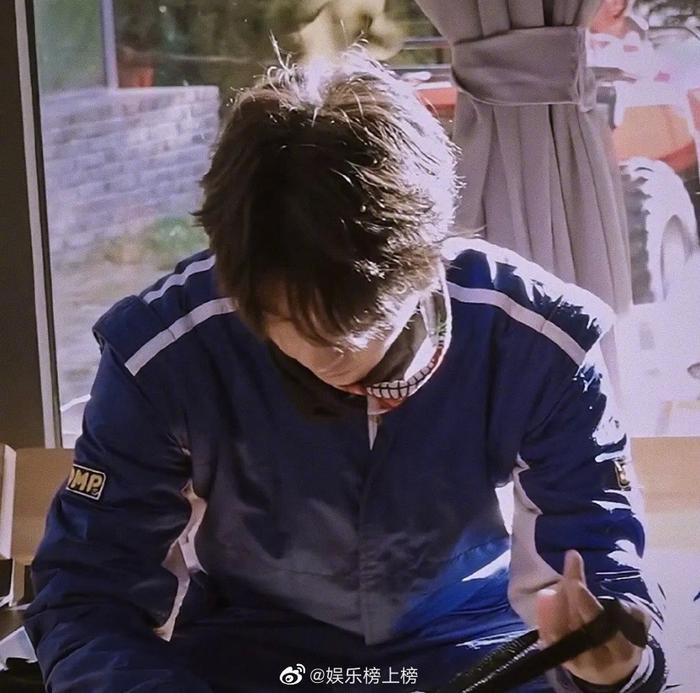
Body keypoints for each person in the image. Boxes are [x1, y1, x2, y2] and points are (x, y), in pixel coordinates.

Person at [25, 50, 666, 692]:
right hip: (255, 662)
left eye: (364, 328)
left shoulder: (537, 339)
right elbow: (89, 592)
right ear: (236, 276)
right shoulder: (164, 353)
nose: (333, 356)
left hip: (474, 655)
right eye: (294, 324)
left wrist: (616, 665)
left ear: (431, 256)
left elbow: (602, 560)